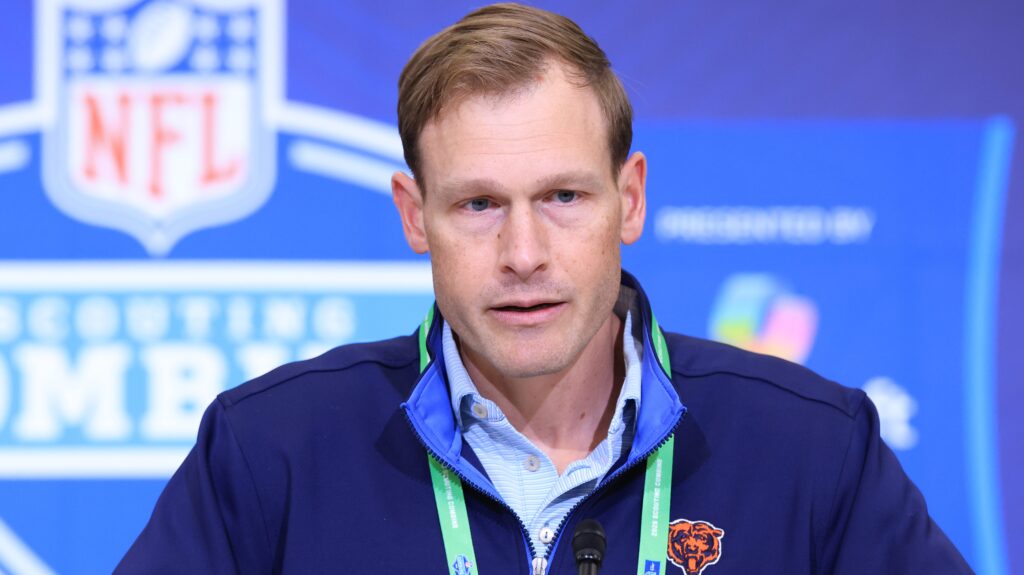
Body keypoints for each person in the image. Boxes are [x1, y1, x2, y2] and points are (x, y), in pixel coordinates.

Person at [117, 4, 972, 574]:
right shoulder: (270, 449)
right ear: (415, 216)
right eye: (479, 204)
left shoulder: (814, 448)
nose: (523, 253)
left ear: (629, 199)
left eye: (563, 196)